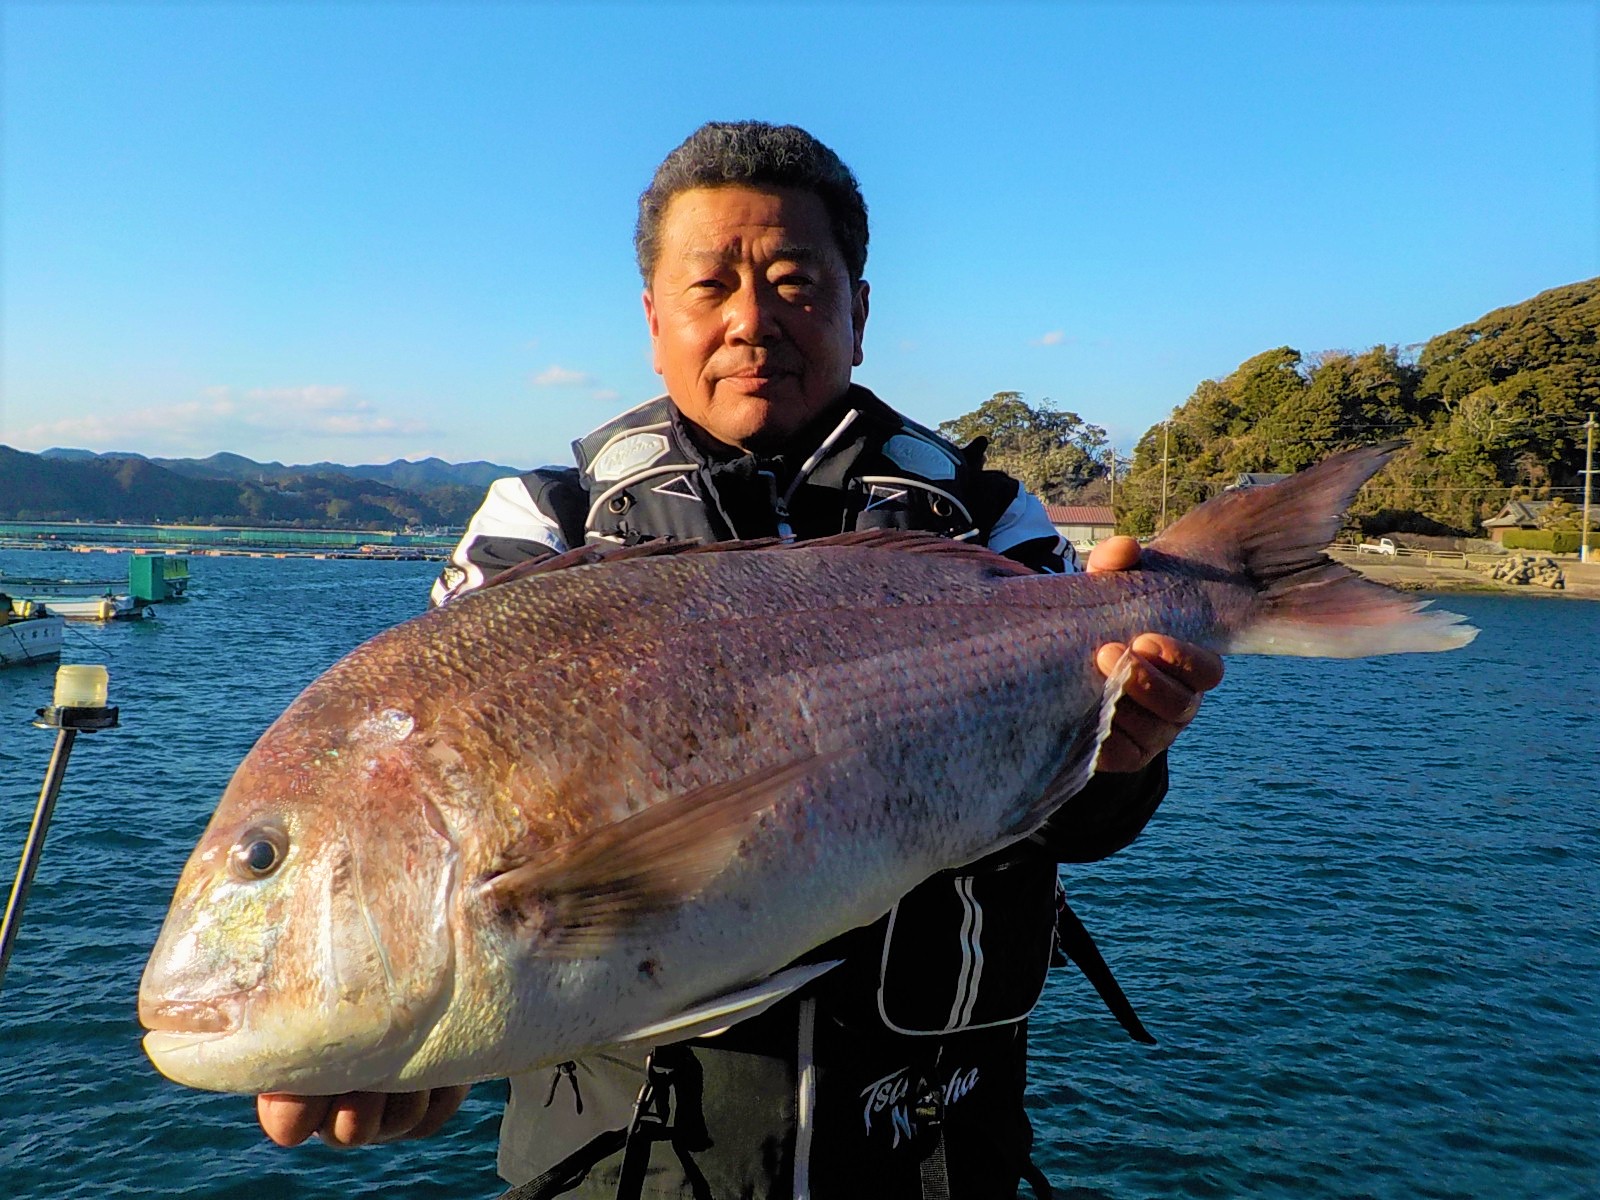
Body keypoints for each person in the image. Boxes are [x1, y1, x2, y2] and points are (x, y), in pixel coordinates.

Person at [257, 121, 1223, 1198]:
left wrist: (1126, 754)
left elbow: (1085, 826)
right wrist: (403, 1023)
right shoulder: (541, 526)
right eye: (710, 285)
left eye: (796, 282)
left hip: (926, 1147)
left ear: (860, 311)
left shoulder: (993, 526)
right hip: (626, 1164)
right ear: (654, 320)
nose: (751, 321)